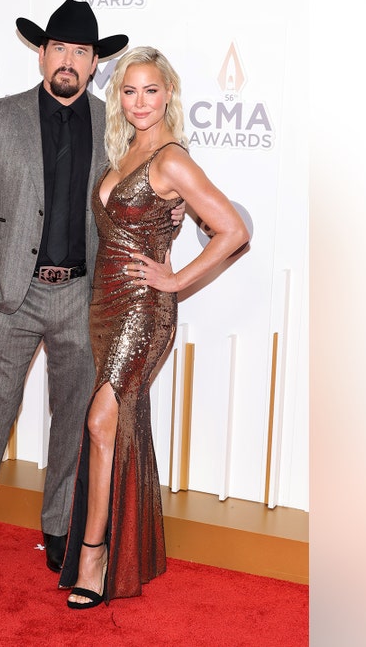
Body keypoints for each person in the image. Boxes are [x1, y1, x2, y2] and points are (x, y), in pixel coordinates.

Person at [0, 1, 183, 580]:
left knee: (74, 420)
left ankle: (58, 529)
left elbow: (142, 194)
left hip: (83, 296)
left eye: (82, 51)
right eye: (59, 48)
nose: (68, 61)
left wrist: (169, 219)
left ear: (95, 62)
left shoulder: (115, 126)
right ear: (42, 53)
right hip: (10, 297)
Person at [59, 46, 250, 609]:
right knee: (115, 426)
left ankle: (94, 555)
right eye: (128, 90)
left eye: (150, 90)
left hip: (143, 309)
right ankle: (130, 553)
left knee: (100, 422)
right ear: (119, 97)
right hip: (104, 305)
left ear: (168, 93)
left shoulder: (169, 158)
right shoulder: (127, 151)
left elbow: (232, 229)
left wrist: (175, 281)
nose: (139, 101)